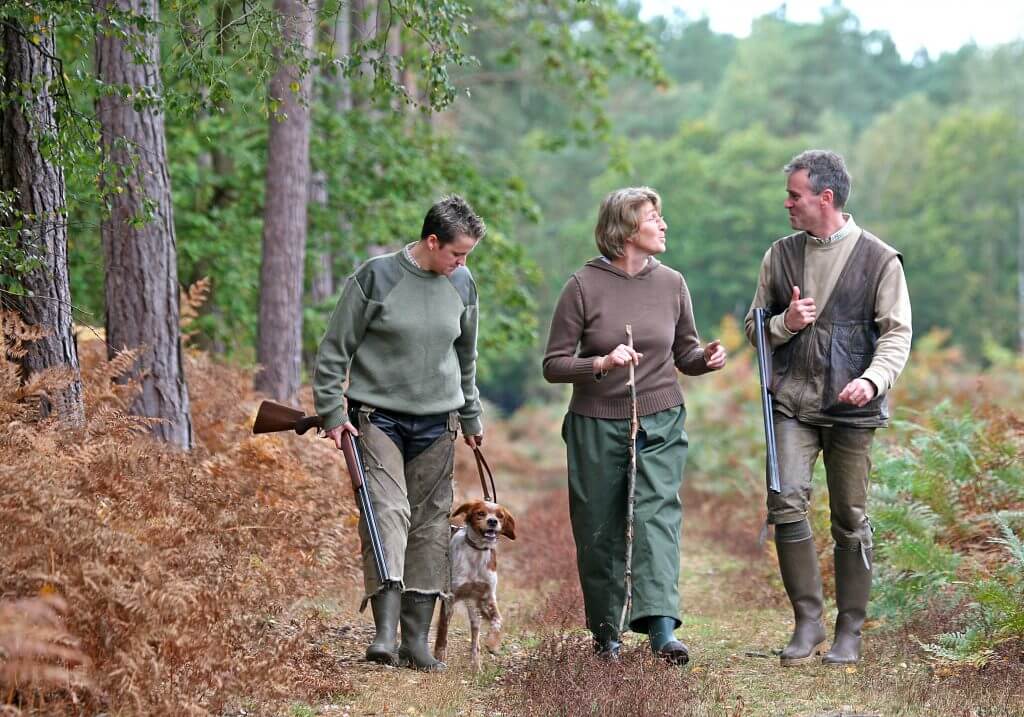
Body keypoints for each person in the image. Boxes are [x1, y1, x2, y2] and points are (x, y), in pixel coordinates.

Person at [542, 186, 727, 664]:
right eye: (653, 217)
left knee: (656, 517)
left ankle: (663, 630)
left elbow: (684, 353)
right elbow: (555, 364)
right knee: (599, 526)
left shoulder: (673, 283)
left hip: (660, 418)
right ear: (625, 229)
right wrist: (600, 362)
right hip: (595, 422)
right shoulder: (582, 286)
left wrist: (705, 358)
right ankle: (606, 635)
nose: (663, 225)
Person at [744, 150, 912, 666]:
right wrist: (784, 324)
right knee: (785, 504)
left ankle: (850, 633)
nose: (787, 203)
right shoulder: (779, 255)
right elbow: (754, 328)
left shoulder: (881, 259)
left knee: (850, 517)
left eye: (794, 195)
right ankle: (807, 624)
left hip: (852, 410)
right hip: (791, 404)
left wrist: (873, 380)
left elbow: (897, 335)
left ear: (826, 197)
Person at [313, 194, 486, 672]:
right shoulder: (376, 276)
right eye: (456, 253)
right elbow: (333, 351)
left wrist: (471, 418)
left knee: (431, 526)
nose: (461, 263)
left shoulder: (464, 284)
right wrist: (331, 411)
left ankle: (416, 642)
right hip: (377, 418)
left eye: (466, 256)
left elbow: (466, 358)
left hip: (438, 421)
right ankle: (384, 634)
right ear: (432, 241)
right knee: (388, 512)